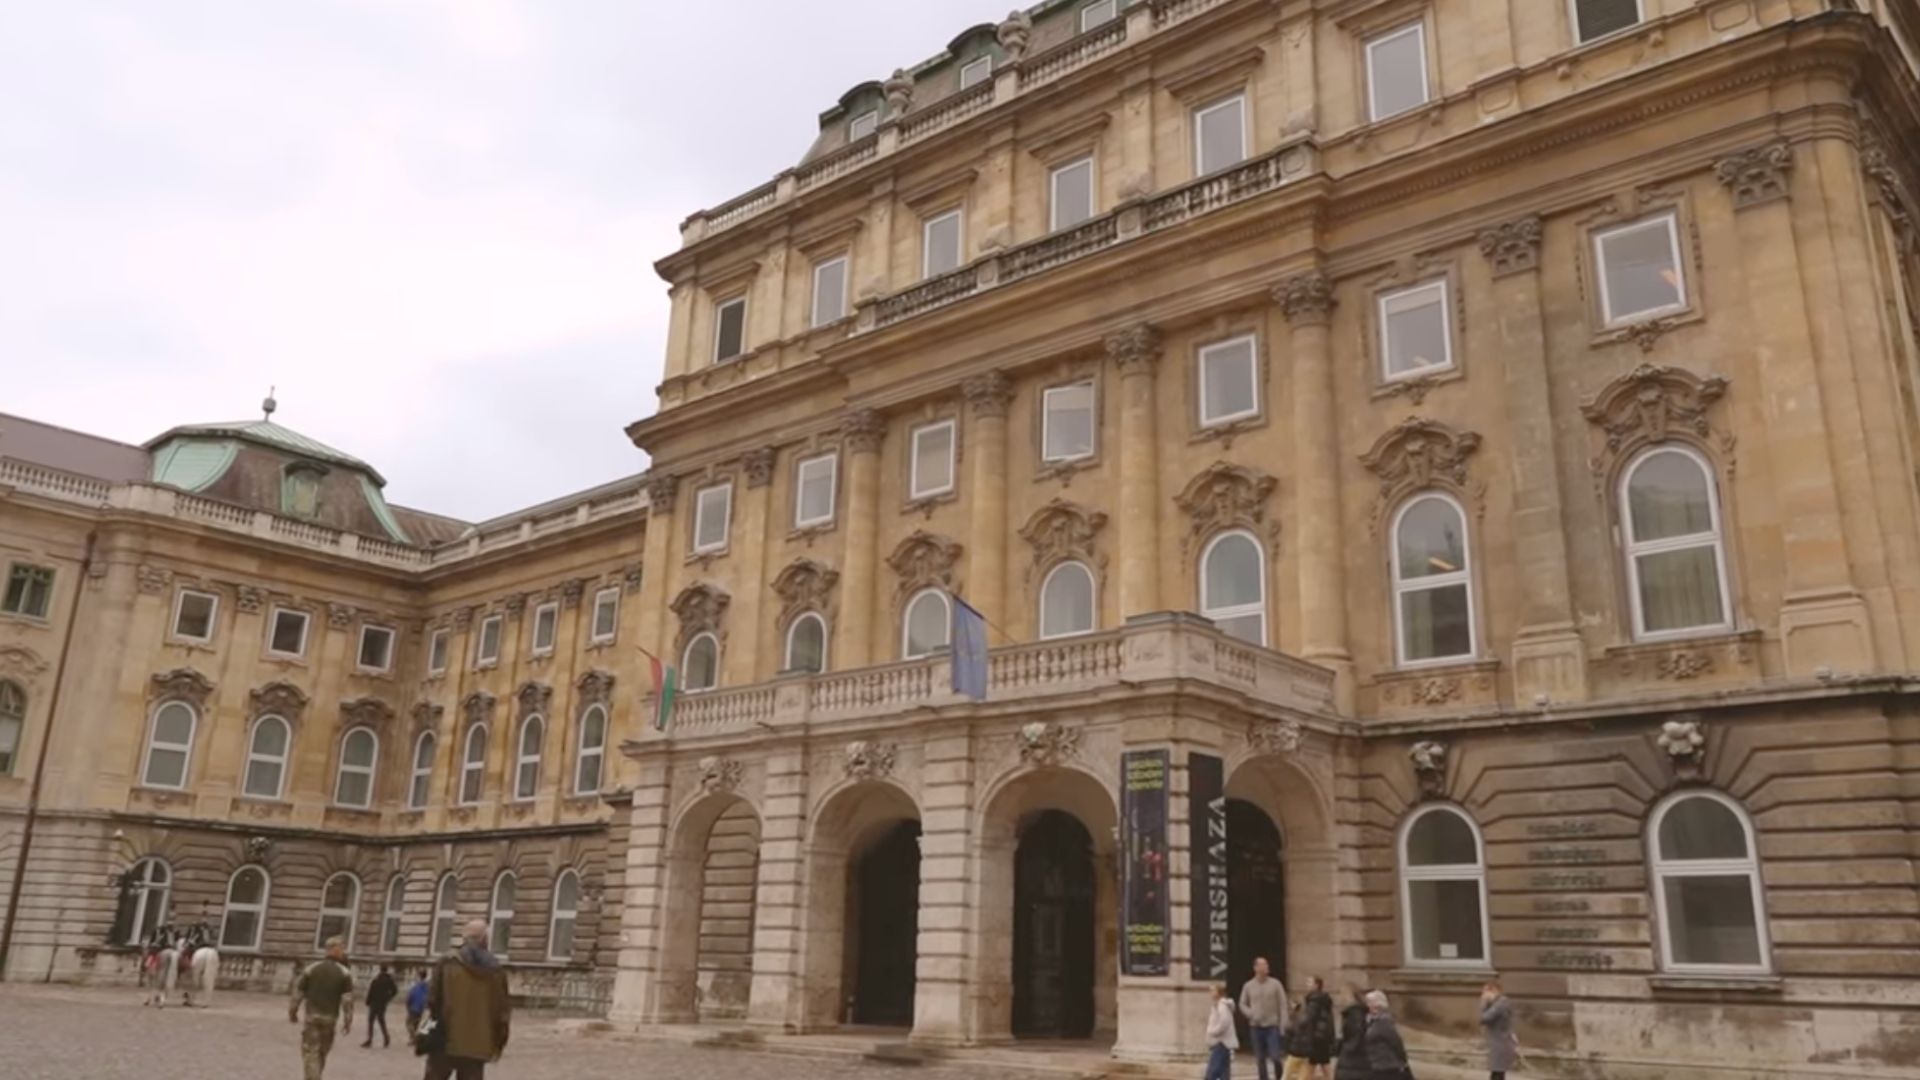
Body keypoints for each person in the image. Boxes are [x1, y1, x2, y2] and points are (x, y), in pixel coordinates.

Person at [424, 919, 512, 1080]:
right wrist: (498, 1042)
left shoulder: (446, 963)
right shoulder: (497, 971)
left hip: (445, 1039)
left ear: (464, 939)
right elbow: (503, 1012)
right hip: (478, 1044)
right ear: (485, 939)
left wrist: (427, 1030)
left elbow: (432, 1000)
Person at [290, 937, 355, 1080]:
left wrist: (293, 1011)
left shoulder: (312, 969)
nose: (343, 952)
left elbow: (298, 994)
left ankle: (313, 1077)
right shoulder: (344, 973)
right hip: (330, 1018)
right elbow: (347, 1000)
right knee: (322, 1051)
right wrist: (348, 1020)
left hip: (312, 1016)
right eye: (341, 948)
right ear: (334, 950)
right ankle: (315, 1076)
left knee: (311, 1051)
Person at [1238, 956, 1288, 1080]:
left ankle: (1279, 1076)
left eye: (1266, 965)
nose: (1266, 967)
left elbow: (1283, 1004)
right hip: (1256, 1026)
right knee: (1260, 1058)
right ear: (1256, 968)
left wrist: (1283, 1024)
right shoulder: (1248, 985)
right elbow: (1242, 1003)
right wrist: (1251, 1014)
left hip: (1272, 1026)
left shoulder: (1276, 984)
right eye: (1262, 965)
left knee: (1275, 1057)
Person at [1362, 990, 1412, 1080]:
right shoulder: (1371, 1021)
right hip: (1376, 1065)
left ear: (1377, 1005)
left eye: (1369, 1003)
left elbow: (1396, 1043)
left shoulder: (1384, 1022)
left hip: (1387, 1067)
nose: (1367, 1006)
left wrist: (1403, 1061)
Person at [1480, 981, 1517, 1080]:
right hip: (1500, 1042)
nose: (1483, 995)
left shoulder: (1501, 1004)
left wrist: (1484, 1003)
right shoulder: (1500, 1003)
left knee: (1498, 1074)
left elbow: (1484, 1018)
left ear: (1494, 991)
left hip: (1501, 1043)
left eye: (1485, 992)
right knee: (1497, 1073)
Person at [1334, 988, 1371, 1080]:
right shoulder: (1352, 1013)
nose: (1339, 998)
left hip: (1353, 1061)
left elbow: (1356, 1035)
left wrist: (1346, 1049)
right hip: (1353, 1061)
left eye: (1340, 994)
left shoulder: (1355, 1014)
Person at [1303, 977, 1336, 1080]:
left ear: (1316, 985)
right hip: (1323, 1035)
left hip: (1316, 1036)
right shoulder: (1325, 998)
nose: (1306, 984)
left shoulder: (1314, 1000)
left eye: (1309, 982)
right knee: (1323, 1063)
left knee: (1312, 1064)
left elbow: (1310, 1019)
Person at [1205, 983, 1239, 1080]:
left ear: (1218, 993)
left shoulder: (1222, 1006)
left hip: (1221, 1042)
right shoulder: (1218, 1005)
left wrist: (1213, 1032)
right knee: (1224, 1071)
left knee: (1212, 1071)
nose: (1210, 993)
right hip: (1224, 1042)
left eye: (1213, 991)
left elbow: (1224, 1022)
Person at [363, 964, 398, 1048]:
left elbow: (371, 991)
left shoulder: (376, 979)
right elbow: (395, 991)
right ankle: (386, 1038)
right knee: (381, 1021)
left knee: (371, 1021)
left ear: (380, 969)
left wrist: (367, 1001)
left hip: (374, 1003)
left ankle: (370, 1039)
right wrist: (388, 998)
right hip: (382, 1003)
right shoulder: (389, 980)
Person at [406, 969, 431, 1044]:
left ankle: (414, 1038)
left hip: (414, 1007)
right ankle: (413, 1039)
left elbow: (410, 997)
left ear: (419, 976)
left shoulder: (415, 986)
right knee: (416, 1024)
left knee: (408, 1023)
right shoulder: (428, 987)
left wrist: (408, 1005)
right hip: (422, 1008)